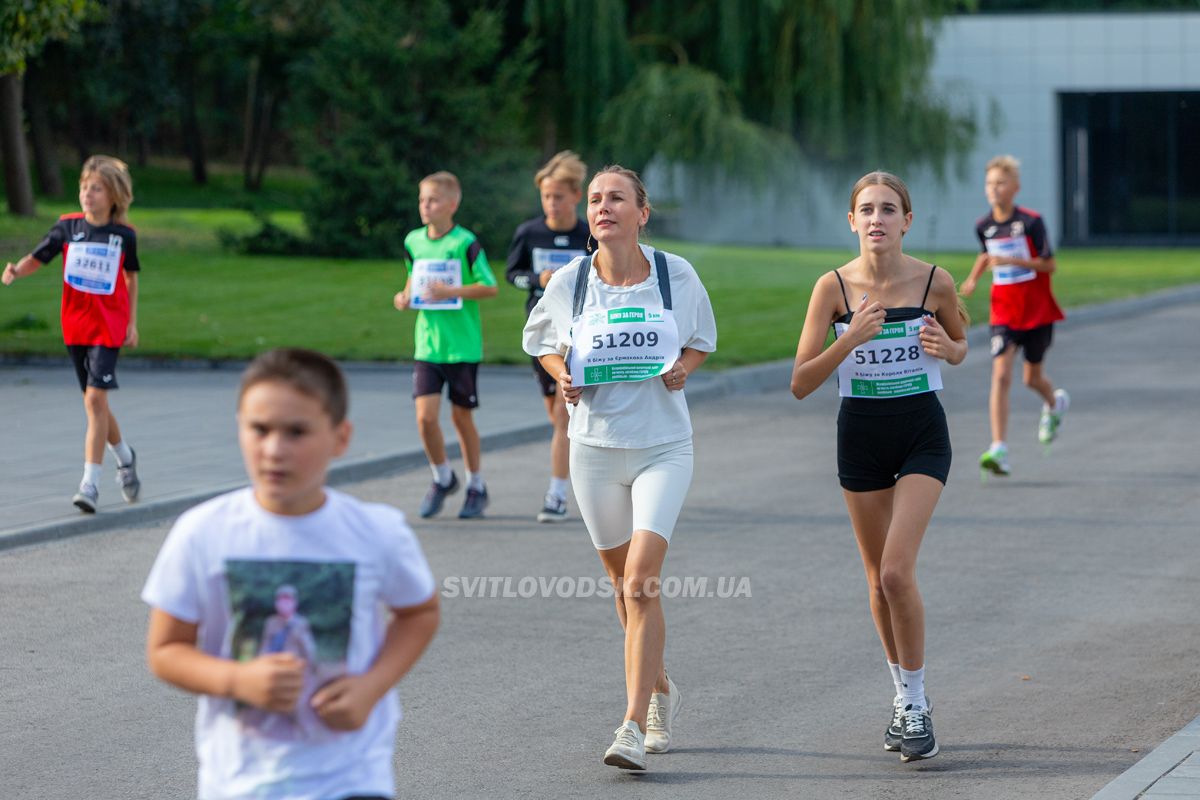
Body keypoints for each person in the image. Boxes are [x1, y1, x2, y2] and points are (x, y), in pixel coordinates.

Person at [142, 348, 439, 800]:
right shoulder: (203, 532)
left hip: (351, 779)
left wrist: (370, 688)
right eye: (259, 430)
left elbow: (419, 612)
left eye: (297, 432)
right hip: (240, 782)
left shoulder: (376, 532)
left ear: (340, 438)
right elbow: (166, 649)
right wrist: (238, 681)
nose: (275, 449)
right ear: (239, 428)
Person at [523, 165, 717, 771]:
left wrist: (683, 367)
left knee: (640, 580)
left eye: (616, 199)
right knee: (622, 589)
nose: (603, 207)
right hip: (594, 449)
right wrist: (563, 378)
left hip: (664, 445)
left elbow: (702, 338)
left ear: (642, 212)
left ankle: (632, 724)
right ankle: (660, 686)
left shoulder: (673, 274)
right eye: (596, 199)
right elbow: (541, 342)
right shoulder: (572, 280)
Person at [790, 171, 968, 763]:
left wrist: (949, 348)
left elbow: (962, 343)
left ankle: (917, 703)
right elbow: (800, 382)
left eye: (888, 209)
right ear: (851, 221)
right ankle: (901, 697)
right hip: (860, 437)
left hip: (922, 434)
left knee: (896, 572)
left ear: (906, 221)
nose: (876, 219)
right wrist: (851, 337)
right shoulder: (833, 289)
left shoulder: (934, 281)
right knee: (874, 579)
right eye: (865, 210)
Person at [2, 155, 142, 513]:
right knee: (95, 402)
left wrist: (131, 322)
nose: (87, 194)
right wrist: (17, 270)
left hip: (107, 329)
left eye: (96, 188)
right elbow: (39, 256)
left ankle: (89, 485)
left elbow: (130, 278)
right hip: (75, 326)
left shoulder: (123, 236)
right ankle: (125, 458)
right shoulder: (67, 228)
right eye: (84, 187)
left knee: (95, 401)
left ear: (113, 196)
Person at [393, 171, 499, 519]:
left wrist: (452, 291)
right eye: (422, 200)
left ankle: (476, 485)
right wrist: (405, 297)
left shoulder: (464, 243)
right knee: (425, 418)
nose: (425, 206)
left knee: (461, 418)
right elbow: (413, 277)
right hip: (427, 346)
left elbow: (489, 286)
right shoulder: (413, 241)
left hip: (462, 347)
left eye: (433, 200)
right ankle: (442, 477)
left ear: (452, 204)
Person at [961, 155, 1068, 477]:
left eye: (1001, 183)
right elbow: (986, 253)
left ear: (1015, 187)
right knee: (1001, 374)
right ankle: (999, 448)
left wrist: (1016, 264)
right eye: (990, 183)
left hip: (1036, 311)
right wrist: (972, 278)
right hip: (1003, 312)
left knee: (1031, 378)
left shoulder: (1032, 222)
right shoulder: (984, 226)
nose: (994, 189)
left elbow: (1050, 264)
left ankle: (1054, 403)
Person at [505, 151, 590, 523]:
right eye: (545, 197)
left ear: (575, 195)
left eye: (558, 196)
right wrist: (536, 281)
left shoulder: (588, 234)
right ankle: (578, 473)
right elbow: (512, 274)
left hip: (580, 335)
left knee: (561, 414)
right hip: (542, 336)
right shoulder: (529, 233)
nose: (551, 204)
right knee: (560, 419)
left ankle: (556, 494)